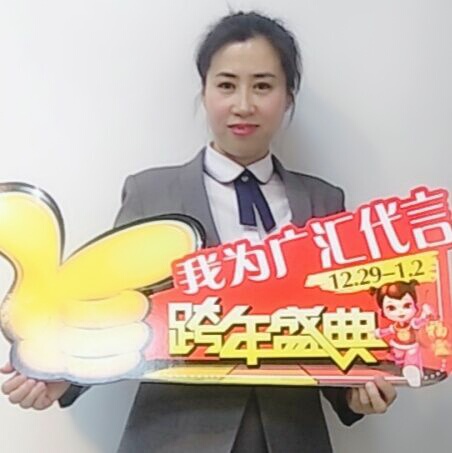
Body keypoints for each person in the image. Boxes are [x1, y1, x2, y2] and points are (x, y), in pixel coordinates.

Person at [1, 11, 397, 453]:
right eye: (226, 85)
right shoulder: (152, 193)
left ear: (288, 97)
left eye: (262, 86)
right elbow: (113, 310)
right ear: (204, 91)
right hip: (174, 436)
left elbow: (339, 328)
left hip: (291, 435)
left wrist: (359, 393)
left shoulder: (322, 202)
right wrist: (61, 372)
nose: (243, 105)